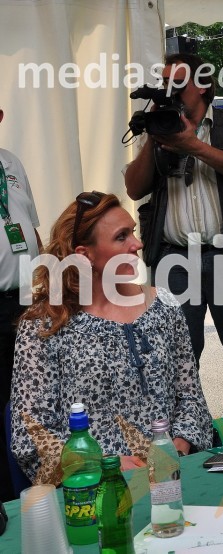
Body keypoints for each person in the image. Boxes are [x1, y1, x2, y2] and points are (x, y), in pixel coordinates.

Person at [10, 192, 213, 485]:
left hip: (173, 477)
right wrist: (103, 465)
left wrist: (180, 442)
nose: (138, 243)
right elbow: (31, 432)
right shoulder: (46, 324)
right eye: (121, 237)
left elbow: (190, 395)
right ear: (84, 255)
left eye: (132, 231)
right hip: (96, 490)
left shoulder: (164, 305)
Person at [124, 52, 223, 439]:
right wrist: (153, 140)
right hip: (174, 260)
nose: (170, 90)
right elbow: (134, 187)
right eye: (166, 82)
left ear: (203, 85)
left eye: (179, 83)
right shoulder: (156, 126)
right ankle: (189, 436)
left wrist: (192, 144)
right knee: (178, 357)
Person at [0, 106, 42, 501]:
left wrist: (46, 287)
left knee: (27, 398)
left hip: (25, 299)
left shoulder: (10, 161)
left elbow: (30, 226)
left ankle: (28, 487)